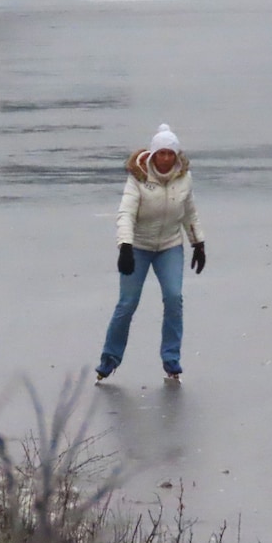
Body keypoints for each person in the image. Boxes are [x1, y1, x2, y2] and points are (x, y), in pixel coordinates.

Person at [96, 123, 206, 382]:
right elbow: (126, 213)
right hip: (138, 247)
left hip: (169, 246)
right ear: (154, 155)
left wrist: (198, 243)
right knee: (127, 303)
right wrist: (125, 246)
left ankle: (171, 360)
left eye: (170, 154)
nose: (166, 159)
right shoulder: (139, 177)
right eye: (161, 153)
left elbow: (189, 212)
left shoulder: (184, 178)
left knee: (174, 298)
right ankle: (109, 360)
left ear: (176, 156)